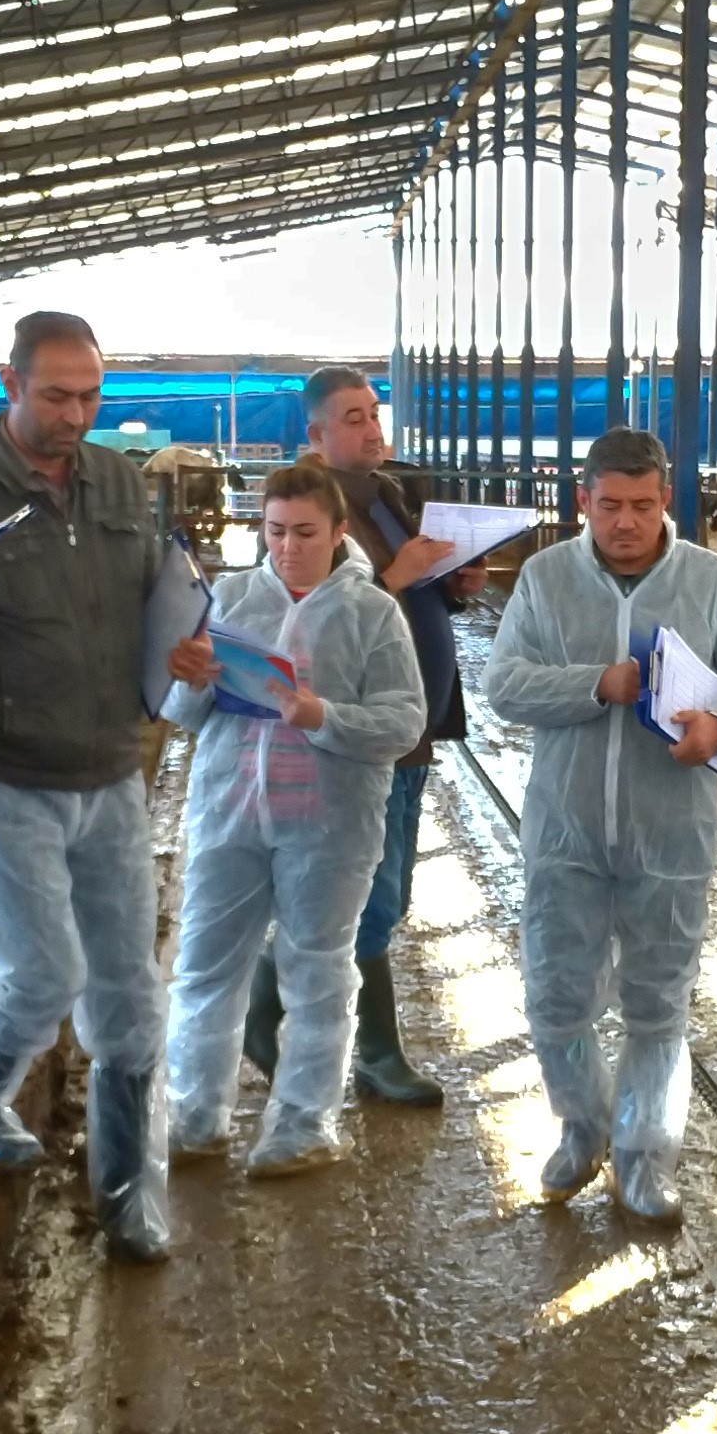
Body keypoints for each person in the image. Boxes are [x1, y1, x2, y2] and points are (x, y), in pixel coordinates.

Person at [482, 429, 717, 1223]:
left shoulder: (713, 583)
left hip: (669, 831)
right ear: (582, 500)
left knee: (659, 1003)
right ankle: (581, 1129)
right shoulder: (547, 578)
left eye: (642, 505)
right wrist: (597, 682)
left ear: (666, 501)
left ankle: (643, 1158)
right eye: (609, 505)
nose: (625, 522)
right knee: (556, 994)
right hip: (565, 828)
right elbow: (504, 684)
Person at [0, 312, 174, 1259]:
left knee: (130, 991)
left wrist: (176, 650)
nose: (75, 414)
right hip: (4, 772)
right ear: (8, 385)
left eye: (90, 395)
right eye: (56, 395)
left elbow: (150, 591)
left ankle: (126, 1188)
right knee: (41, 972)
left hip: (107, 766)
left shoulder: (117, 482)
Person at [161, 465, 426, 1172]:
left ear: (339, 534)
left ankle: (304, 1123)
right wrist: (188, 680)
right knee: (204, 966)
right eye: (274, 531)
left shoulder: (372, 612)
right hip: (229, 812)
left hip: (329, 823)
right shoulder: (231, 600)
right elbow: (182, 715)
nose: (287, 547)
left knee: (318, 971)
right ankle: (196, 1113)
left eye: (305, 533)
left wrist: (322, 716)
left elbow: (404, 722)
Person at [287, 364, 484, 1106]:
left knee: (385, 896)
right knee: (369, 897)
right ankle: (365, 1048)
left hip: (411, 733)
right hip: (357, 732)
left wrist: (452, 585)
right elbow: (308, 616)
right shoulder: (310, 511)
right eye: (351, 418)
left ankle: (277, 1008)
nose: (371, 428)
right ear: (315, 436)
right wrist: (395, 577)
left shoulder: (394, 496)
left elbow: (418, 606)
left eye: (373, 413)